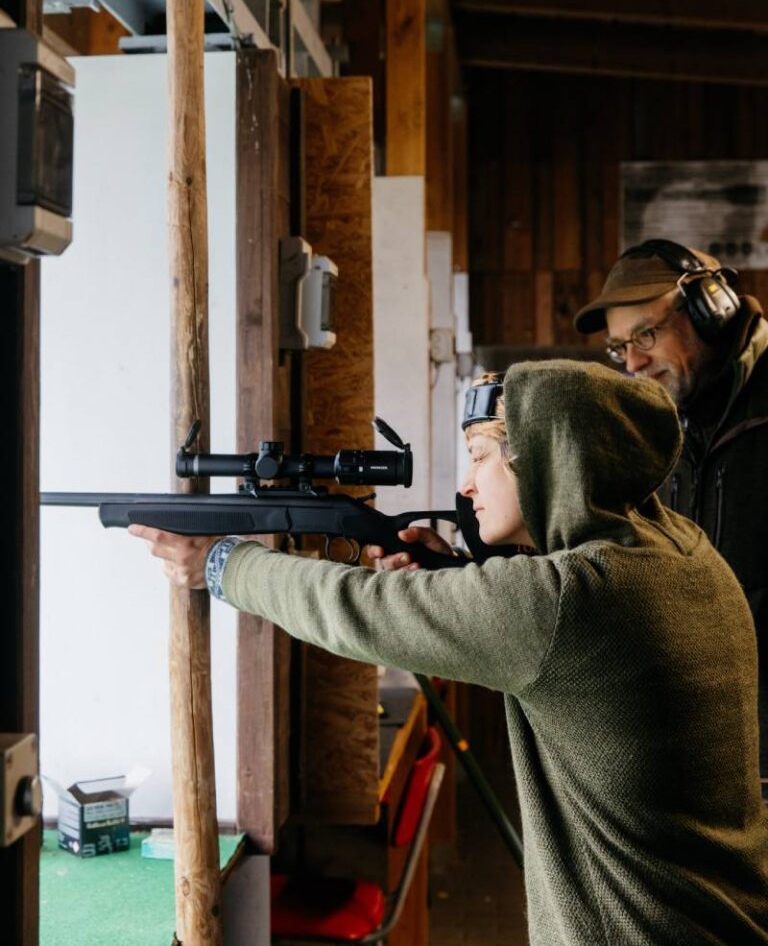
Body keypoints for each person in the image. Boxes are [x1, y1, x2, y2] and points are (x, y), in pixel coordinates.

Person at [131, 360, 768, 946]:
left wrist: (224, 562)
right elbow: (554, 642)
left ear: (548, 460)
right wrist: (459, 572)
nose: (466, 485)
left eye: (480, 456)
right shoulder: (683, 552)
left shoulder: (570, 602)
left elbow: (360, 609)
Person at [572, 237, 768, 798]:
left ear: (711, 311)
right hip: (691, 749)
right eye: (619, 347)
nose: (632, 363)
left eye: (646, 335)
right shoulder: (652, 426)